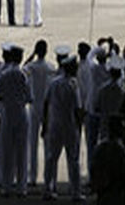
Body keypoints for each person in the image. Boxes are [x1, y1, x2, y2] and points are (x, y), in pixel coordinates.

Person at [42, 55, 83, 200]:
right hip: (69, 126)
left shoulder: (54, 83)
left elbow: (46, 103)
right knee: (73, 159)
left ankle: (48, 189)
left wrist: (45, 123)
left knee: (51, 158)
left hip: (54, 124)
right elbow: (78, 108)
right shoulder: (73, 84)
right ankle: (76, 192)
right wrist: (79, 126)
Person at [0, 46, 31, 197]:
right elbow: (29, 97)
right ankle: (21, 187)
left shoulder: (4, 74)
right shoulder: (23, 75)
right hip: (21, 114)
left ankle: (6, 186)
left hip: (8, 114)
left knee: (7, 151)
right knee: (22, 152)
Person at [22, 41, 52, 185]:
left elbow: (22, 68)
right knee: (47, 145)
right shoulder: (50, 68)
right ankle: (48, 177)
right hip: (47, 108)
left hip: (34, 107)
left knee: (32, 143)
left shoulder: (32, 66)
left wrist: (31, 56)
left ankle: (32, 177)